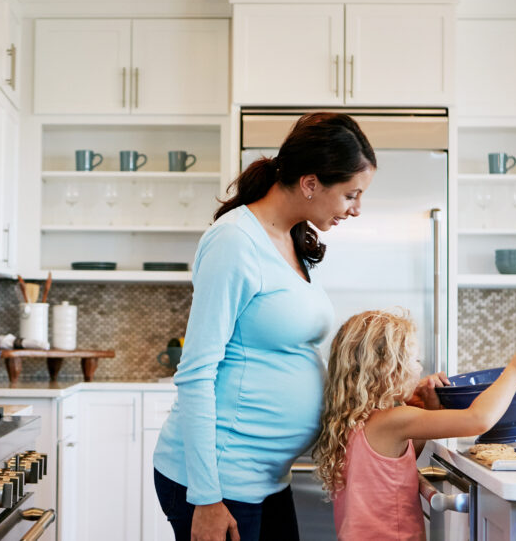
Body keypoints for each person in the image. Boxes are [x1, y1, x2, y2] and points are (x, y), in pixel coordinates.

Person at [152, 112, 377, 541]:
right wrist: (206, 497)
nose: (357, 209)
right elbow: (197, 373)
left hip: (268, 478)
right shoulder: (235, 241)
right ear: (310, 183)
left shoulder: (293, 239)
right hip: (219, 481)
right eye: (351, 194)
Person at [313, 309, 516, 541]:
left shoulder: (353, 423)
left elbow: (394, 469)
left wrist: (428, 408)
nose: (420, 369)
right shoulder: (394, 420)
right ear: (388, 369)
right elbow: (478, 419)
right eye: (416, 360)